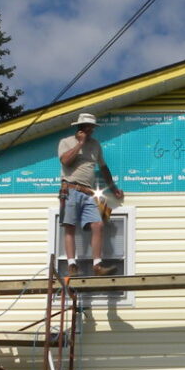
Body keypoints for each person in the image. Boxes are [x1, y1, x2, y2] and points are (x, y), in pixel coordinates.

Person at [57, 112, 125, 276]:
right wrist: (80, 144)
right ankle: (72, 265)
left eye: (92, 127)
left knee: (98, 224)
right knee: (70, 227)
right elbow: (65, 161)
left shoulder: (95, 145)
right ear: (80, 128)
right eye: (88, 127)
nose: (91, 130)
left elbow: (103, 167)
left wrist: (112, 186)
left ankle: (97, 265)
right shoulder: (66, 142)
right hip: (70, 189)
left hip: (88, 192)